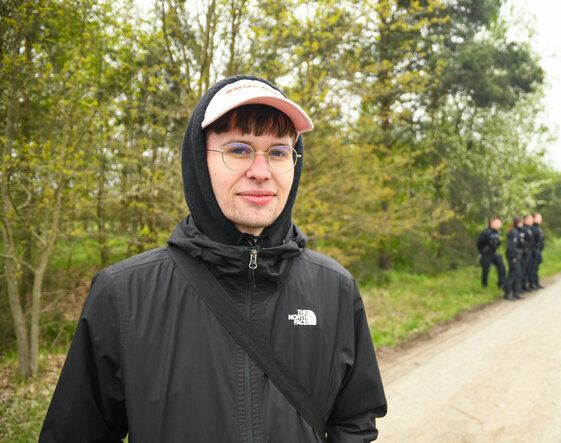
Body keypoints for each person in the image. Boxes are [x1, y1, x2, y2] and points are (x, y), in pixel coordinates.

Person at [40, 75, 387, 442]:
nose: (260, 170)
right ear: (198, 162)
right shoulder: (124, 294)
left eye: (278, 152)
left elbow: (354, 420)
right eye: (238, 149)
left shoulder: (334, 288)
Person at [476, 216, 506, 289]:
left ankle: (501, 283)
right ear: (492, 223)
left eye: (499, 223)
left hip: (493, 253)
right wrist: (483, 251)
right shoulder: (485, 233)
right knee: (486, 269)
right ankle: (484, 285)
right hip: (486, 254)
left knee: (501, 266)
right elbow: (478, 243)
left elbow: (497, 243)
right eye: (497, 223)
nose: (498, 225)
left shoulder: (497, 232)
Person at [504, 216, 525, 301]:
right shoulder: (513, 233)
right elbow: (511, 246)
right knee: (512, 274)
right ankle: (507, 293)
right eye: (521, 223)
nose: (522, 224)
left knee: (518, 274)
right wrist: (514, 256)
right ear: (518, 223)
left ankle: (516, 292)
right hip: (512, 257)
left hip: (516, 256)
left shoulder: (517, 232)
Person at [520, 214, 535, 292]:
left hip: (529, 251)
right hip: (525, 252)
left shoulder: (530, 228)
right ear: (526, 220)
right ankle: (523, 285)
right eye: (530, 219)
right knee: (524, 269)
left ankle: (527, 284)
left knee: (529, 268)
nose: (532, 221)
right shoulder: (523, 229)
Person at [530, 213, 545, 289]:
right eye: (538, 217)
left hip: (538, 250)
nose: (540, 219)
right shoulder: (532, 228)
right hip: (534, 250)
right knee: (533, 267)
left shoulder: (538, 228)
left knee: (536, 267)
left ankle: (536, 282)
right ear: (533, 218)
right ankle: (532, 283)